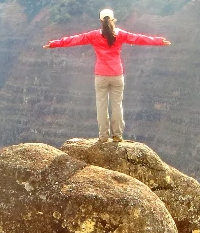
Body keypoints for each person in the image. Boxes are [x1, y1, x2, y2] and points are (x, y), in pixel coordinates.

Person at [44, 8, 171, 143]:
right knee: (117, 105)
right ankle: (117, 135)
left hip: (101, 75)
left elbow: (75, 39)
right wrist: (158, 41)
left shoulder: (94, 35)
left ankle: (103, 136)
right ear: (113, 19)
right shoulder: (120, 34)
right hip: (117, 74)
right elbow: (139, 38)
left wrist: (54, 44)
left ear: (100, 21)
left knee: (101, 106)